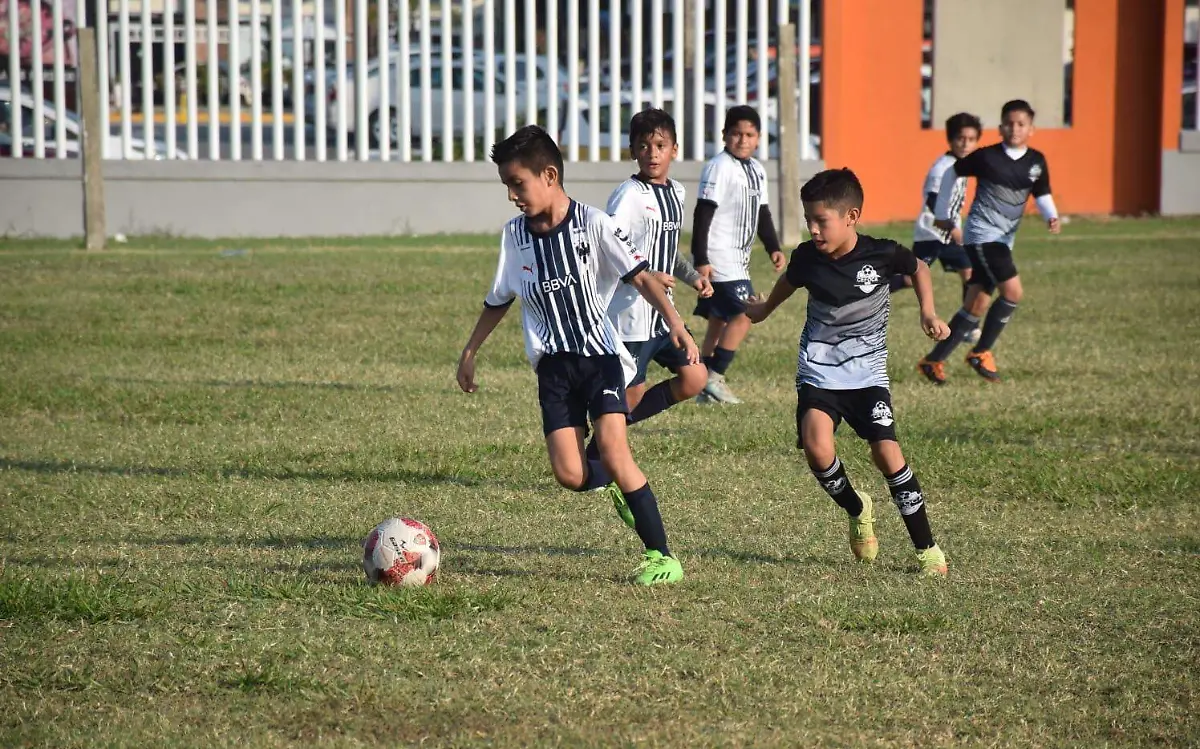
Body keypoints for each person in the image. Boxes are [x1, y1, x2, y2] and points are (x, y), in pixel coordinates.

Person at [456, 125, 699, 586]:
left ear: (549, 175)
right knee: (571, 474)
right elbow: (499, 298)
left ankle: (662, 556)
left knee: (612, 447)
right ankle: (617, 486)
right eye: (506, 185)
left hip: (599, 358)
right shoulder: (515, 237)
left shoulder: (594, 224)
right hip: (553, 369)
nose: (512, 195)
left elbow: (642, 276)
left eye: (517, 183)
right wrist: (470, 351)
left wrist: (676, 324)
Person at [746, 168, 951, 576]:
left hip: (867, 376)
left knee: (887, 455)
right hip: (819, 372)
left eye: (822, 220)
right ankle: (858, 509)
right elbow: (789, 280)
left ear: (851, 217)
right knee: (817, 449)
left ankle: (926, 549)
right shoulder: (808, 257)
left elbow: (919, 269)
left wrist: (928, 311)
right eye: (809, 220)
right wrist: (764, 309)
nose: (814, 229)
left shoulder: (882, 253)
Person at [591, 108, 712, 467]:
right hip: (630, 314)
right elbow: (609, 248)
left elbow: (667, 248)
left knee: (694, 377)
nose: (653, 153)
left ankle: (609, 428)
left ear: (675, 149)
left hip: (663, 313)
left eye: (660, 145)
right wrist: (648, 274)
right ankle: (597, 462)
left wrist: (691, 277)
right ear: (633, 151)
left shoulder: (676, 191)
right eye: (644, 146)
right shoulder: (628, 196)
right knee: (631, 393)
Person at [917, 99, 1061, 384]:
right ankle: (981, 351)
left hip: (1004, 238)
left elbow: (1042, 193)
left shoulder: (1036, 161)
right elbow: (951, 173)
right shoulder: (987, 157)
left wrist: (1051, 215)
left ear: (1031, 128)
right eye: (1009, 123)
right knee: (1013, 292)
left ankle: (933, 361)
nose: (1015, 128)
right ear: (1000, 127)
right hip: (983, 235)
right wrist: (945, 214)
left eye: (1021, 124)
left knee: (977, 303)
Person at [690, 105, 786, 404]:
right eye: (736, 134)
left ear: (758, 138)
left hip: (739, 260)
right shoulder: (719, 166)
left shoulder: (757, 170)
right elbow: (703, 213)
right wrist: (701, 258)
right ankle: (714, 376)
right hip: (719, 258)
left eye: (749, 134)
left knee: (719, 320)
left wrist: (773, 247)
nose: (742, 140)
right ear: (724, 136)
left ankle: (701, 386)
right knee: (745, 313)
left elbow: (762, 212)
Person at [892, 111, 982, 347]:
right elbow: (933, 201)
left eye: (971, 139)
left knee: (970, 274)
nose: (966, 143)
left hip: (949, 236)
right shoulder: (942, 167)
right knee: (912, 279)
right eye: (961, 138)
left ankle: (968, 326)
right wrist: (952, 227)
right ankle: (868, 291)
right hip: (931, 233)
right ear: (951, 140)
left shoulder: (962, 166)